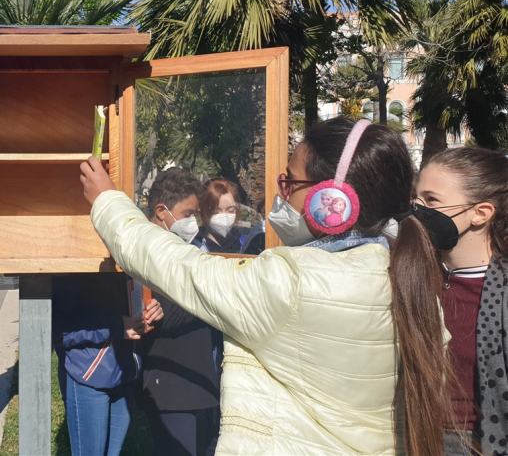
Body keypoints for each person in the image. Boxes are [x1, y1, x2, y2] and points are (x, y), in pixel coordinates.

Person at [80, 117, 451, 454]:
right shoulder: (406, 276)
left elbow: (179, 268)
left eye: (290, 180)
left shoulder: (293, 282)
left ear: (333, 200)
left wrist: (107, 201)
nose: (282, 191)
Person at [414, 148, 508, 455]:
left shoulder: (500, 291)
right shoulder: (411, 274)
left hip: (479, 441)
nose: (417, 209)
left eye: (431, 200)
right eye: (415, 198)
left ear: (480, 212)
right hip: (414, 433)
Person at [139, 168, 222, 456]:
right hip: (172, 389)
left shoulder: (190, 248)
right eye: (188, 214)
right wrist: (209, 296)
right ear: (162, 211)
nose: (194, 223)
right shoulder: (143, 253)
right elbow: (157, 316)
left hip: (203, 386)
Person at [53, 274, 163, 456]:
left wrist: (153, 311)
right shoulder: (72, 267)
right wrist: (117, 327)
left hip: (125, 375)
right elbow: (60, 332)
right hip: (89, 377)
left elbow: (135, 309)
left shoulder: (129, 259)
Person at [199, 179, 264, 255]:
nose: (224, 216)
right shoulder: (197, 246)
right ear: (203, 212)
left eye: (230, 211)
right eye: (216, 212)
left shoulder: (247, 239)